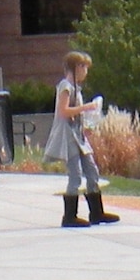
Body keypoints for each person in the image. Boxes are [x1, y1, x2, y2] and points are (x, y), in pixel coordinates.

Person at [46, 50, 118, 229]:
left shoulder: (76, 89)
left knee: (92, 171)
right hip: (68, 137)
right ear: (76, 67)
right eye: (84, 67)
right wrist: (87, 107)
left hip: (78, 136)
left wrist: (86, 124)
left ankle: (96, 212)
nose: (86, 71)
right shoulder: (65, 87)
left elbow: (75, 113)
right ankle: (70, 216)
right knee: (75, 175)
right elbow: (63, 111)